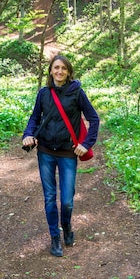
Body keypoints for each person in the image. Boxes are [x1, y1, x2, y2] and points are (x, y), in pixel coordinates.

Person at [22, 54, 100, 257]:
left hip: (68, 154)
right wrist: (28, 135)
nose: (59, 71)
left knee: (66, 200)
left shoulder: (77, 93)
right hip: (45, 152)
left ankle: (66, 225)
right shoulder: (43, 93)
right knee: (49, 197)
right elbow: (34, 118)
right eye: (56, 67)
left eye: (63, 68)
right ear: (50, 70)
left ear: (68, 72)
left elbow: (93, 118)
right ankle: (54, 237)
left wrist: (86, 143)